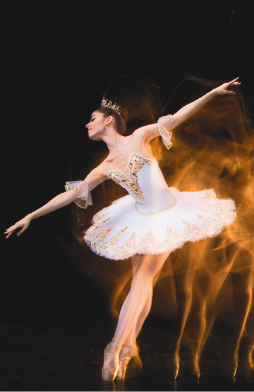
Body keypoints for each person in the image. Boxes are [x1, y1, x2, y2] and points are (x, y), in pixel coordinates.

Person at [5, 77, 240, 381]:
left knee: (143, 280)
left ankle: (118, 346)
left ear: (109, 120)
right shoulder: (105, 166)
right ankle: (125, 345)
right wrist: (31, 216)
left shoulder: (139, 138)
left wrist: (214, 92)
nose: (87, 124)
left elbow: (179, 117)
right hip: (141, 218)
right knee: (143, 281)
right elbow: (69, 194)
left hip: (168, 212)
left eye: (92, 119)